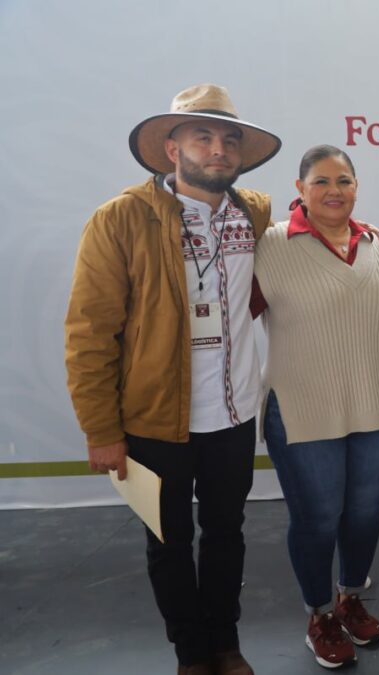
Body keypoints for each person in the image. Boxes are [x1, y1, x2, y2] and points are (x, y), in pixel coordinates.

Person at [64, 84, 280, 675]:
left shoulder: (252, 213)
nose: (219, 149)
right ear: (171, 147)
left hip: (233, 417)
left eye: (229, 139)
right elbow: (88, 333)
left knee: (227, 534)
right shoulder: (120, 220)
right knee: (168, 541)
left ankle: (225, 642)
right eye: (203, 137)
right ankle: (191, 654)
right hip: (155, 418)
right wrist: (100, 429)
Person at [253, 145, 379, 669]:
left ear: (357, 187)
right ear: (300, 189)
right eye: (320, 181)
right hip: (302, 406)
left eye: (343, 180)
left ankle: (350, 597)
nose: (333, 190)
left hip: (374, 405)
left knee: (362, 515)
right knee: (318, 518)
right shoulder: (269, 245)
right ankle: (319, 613)